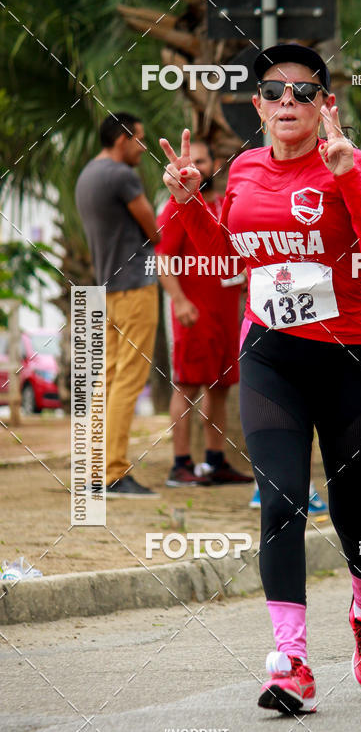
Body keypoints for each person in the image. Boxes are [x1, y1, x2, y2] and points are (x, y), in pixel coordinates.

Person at [159, 43, 361, 714]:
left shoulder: (350, 168)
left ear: (326, 104)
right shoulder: (240, 170)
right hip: (272, 354)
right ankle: (291, 661)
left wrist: (350, 174)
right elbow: (228, 255)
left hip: (353, 357)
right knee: (282, 501)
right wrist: (188, 204)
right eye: (274, 91)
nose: (287, 103)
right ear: (258, 106)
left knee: (353, 507)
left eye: (303, 92)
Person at [155, 139, 253, 486]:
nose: (195, 166)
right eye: (190, 160)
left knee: (221, 388)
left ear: (213, 163)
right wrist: (180, 301)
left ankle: (215, 461)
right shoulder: (174, 208)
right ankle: (180, 466)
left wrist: (247, 280)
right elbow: (163, 260)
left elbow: (236, 252)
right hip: (193, 315)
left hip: (228, 315)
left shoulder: (226, 204)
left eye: (202, 160)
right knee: (186, 387)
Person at [76, 112, 160, 497]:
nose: (142, 147)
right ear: (122, 139)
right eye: (139, 139)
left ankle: (96, 469)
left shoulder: (87, 176)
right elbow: (153, 228)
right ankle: (113, 471)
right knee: (130, 379)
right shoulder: (122, 177)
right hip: (135, 287)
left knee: (107, 380)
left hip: (106, 289)